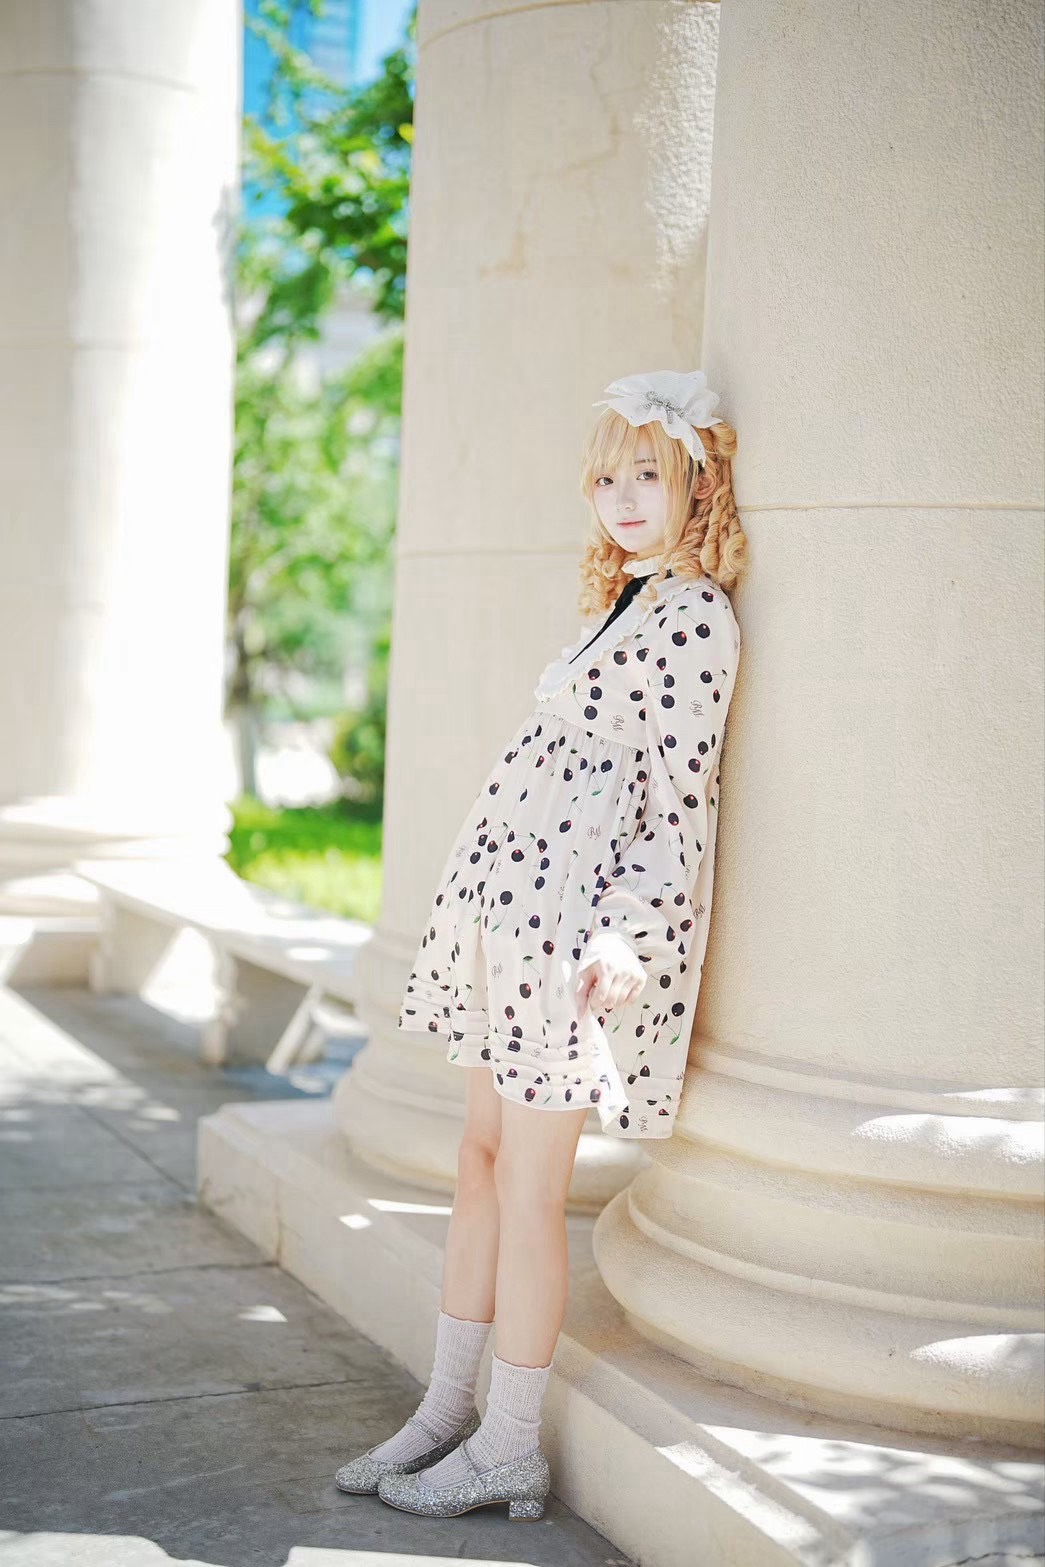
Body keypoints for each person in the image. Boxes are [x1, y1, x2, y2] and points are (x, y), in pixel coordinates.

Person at [335, 369, 748, 1521]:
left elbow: (679, 809)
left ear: (696, 481)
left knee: (528, 1184)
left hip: (568, 935)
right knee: (477, 1161)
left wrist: (622, 935)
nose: (623, 498)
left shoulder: (695, 619)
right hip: (508, 916)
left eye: (648, 474)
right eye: (606, 478)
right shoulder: (624, 600)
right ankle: (446, 1408)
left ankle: (510, 1442)